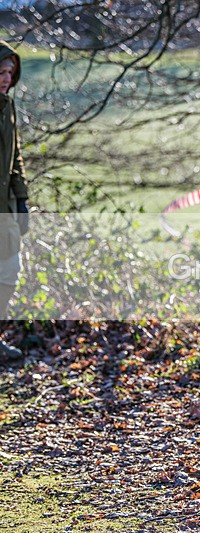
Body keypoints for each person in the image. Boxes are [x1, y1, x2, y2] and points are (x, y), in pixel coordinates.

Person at [0, 42, 28, 362]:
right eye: (1, 72)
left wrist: (22, 199)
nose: (6, 78)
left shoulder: (8, 106)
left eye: (10, 72)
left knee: (8, 273)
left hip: (5, 208)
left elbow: (16, 157)